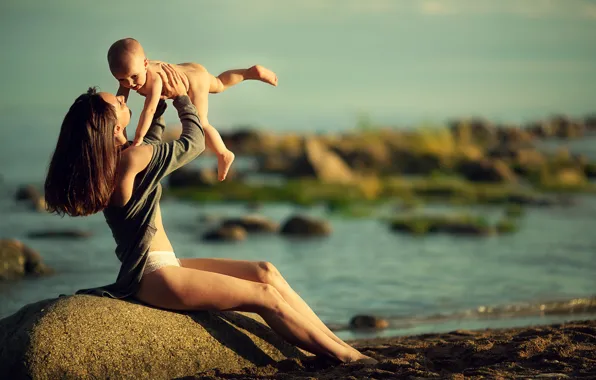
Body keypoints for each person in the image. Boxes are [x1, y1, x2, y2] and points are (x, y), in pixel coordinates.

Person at [44, 64, 376, 364]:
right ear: (110, 125)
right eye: (116, 102)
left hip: (159, 267)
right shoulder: (131, 159)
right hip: (157, 277)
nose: (122, 97)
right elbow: (194, 142)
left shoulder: (114, 162)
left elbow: (152, 140)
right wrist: (184, 100)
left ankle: (333, 341)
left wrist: (158, 98)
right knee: (264, 296)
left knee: (265, 271)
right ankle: (345, 356)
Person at [107, 37, 278, 181]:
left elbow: (149, 111)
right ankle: (249, 73)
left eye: (134, 77)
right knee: (219, 83)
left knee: (201, 123)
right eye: (122, 80)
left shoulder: (155, 80)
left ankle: (223, 153)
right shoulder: (131, 71)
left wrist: (137, 140)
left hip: (193, 82)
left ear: (145, 64)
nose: (130, 84)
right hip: (192, 69)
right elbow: (119, 101)